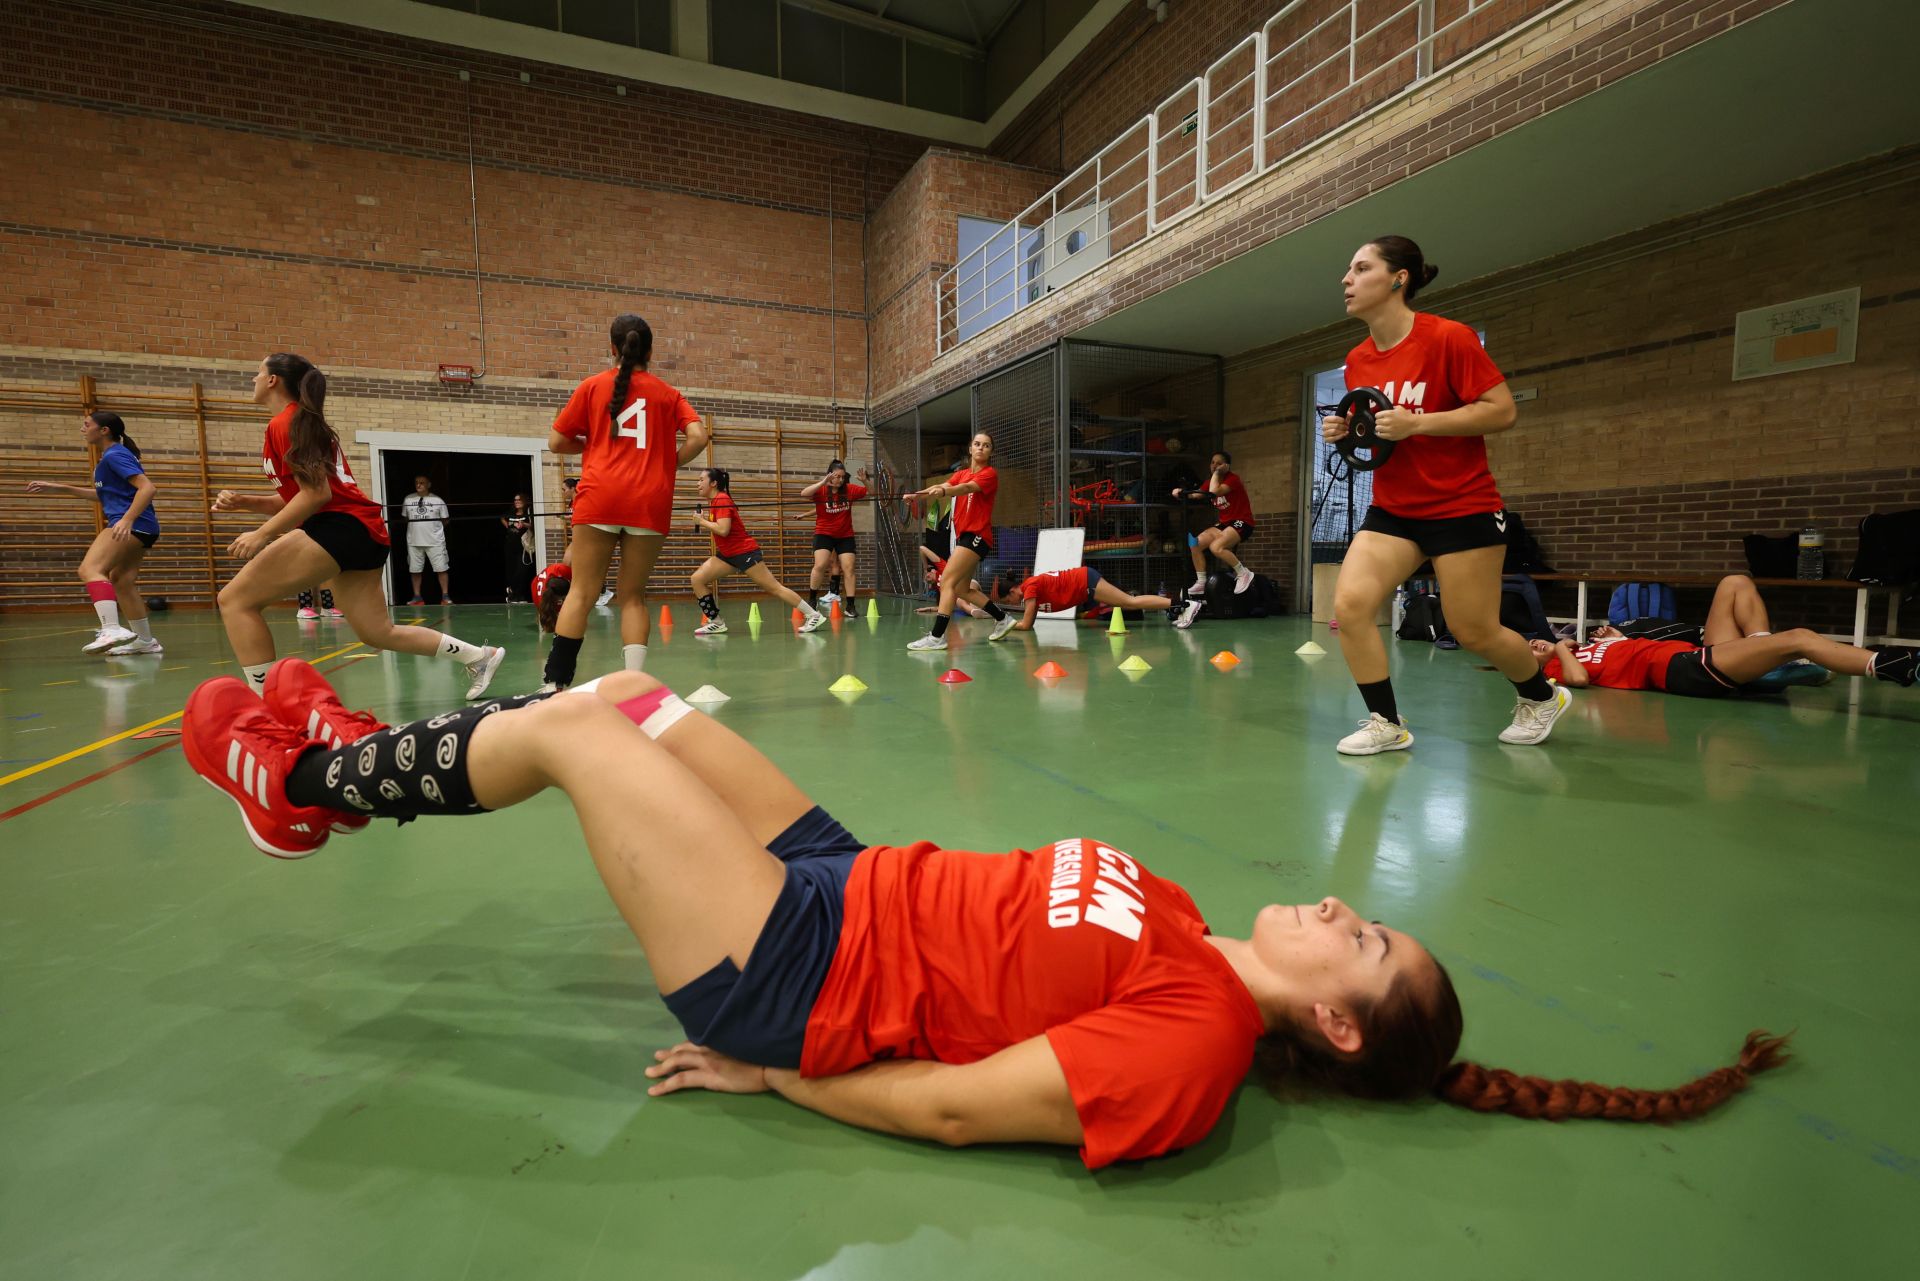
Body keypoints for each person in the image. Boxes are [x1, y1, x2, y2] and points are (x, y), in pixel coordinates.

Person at [180, 658, 1792, 1167]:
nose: (1338, 903)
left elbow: (957, 1107)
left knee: (567, 740)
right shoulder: (1179, 918)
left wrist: (779, 1070)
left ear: (1338, 1019)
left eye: (1360, 937)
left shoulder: (1196, 1045)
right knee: (638, 694)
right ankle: (366, 758)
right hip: (849, 882)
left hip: (795, 974)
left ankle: (302, 783)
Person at [1321, 236, 1566, 756]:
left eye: (1361, 268)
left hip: (1463, 506)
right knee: (1352, 605)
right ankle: (1386, 722)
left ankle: (1541, 696)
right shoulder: (1357, 360)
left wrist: (1419, 424)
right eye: (1348, 270)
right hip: (1393, 509)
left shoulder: (1449, 338)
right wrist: (1348, 432)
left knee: (1474, 630)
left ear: (1398, 278)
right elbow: (1379, 429)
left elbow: (1501, 410)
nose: (1346, 279)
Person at [211, 352, 504, 699]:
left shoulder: (285, 424)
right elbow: (307, 495)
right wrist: (248, 503)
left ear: (273, 380)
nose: (253, 380)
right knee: (377, 633)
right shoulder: (299, 422)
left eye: (257, 373)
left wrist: (262, 534)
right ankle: (479, 657)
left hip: (339, 528)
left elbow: (316, 495)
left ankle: (268, 703)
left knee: (235, 600)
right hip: (361, 531)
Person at [542, 313, 711, 690]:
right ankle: (634, 683)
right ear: (650, 351)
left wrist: (590, 444)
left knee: (583, 591)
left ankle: (555, 682)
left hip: (600, 496)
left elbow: (556, 442)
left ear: (613, 349)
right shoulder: (669, 394)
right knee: (633, 596)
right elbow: (698, 437)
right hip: (649, 501)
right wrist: (668, 462)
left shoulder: (591, 386)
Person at [1537, 575, 1915, 695]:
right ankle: (1898, 666)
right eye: (1529, 648)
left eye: (1531, 640)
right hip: (1683, 670)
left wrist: (1615, 638)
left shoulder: (1583, 648)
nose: (1533, 642)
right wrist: (1559, 647)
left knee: (1734, 583)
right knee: (1798, 637)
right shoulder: (1555, 667)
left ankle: (1761, 656)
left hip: (1692, 652)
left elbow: (1623, 654)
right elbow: (1579, 681)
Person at [23, 410, 164, 655]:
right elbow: (106, 495)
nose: (82, 429)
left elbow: (147, 488)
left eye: (86, 424)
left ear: (104, 430)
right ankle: (145, 641)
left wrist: (127, 520)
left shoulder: (115, 455)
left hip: (131, 524)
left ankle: (111, 628)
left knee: (90, 569)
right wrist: (61, 488)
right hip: (144, 527)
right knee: (122, 580)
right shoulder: (110, 458)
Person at [905, 433, 1015, 650]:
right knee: (962, 589)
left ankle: (937, 637)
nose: (981, 448)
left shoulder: (989, 474)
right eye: (977, 444)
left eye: (986, 446)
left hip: (977, 536)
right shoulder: (961, 473)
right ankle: (1003, 619)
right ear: (970, 448)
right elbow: (946, 484)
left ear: (990, 452)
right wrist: (917, 495)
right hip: (966, 536)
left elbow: (964, 489)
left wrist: (944, 491)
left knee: (946, 581)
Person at [689, 468, 826, 637]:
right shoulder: (715, 501)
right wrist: (703, 520)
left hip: (744, 553)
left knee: (774, 587)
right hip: (727, 555)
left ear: (713, 483)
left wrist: (701, 521)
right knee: (697, 579)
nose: (697, 483)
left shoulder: (722, 499)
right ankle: (716, 622)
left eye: (701, 479)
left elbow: (723, 530)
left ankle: (813, 615)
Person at [1172, 452, 1257, 619]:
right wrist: (1181, 492)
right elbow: (1196, 494)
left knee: (1216, 547)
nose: (1214, 466)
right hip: (1225, 524)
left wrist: (1218, 473)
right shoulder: (1209, 482)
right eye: (1212, 463)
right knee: (1193, 542)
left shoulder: (1233, 479)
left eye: (1219, 463)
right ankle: (1201, 581)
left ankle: (1243, 573)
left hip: (1242, 522)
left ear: (1227, 466)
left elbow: (1214, 492)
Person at [1002, 566, 1174, 634]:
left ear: (1012, 591)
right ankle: (1175, 605)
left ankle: (1176, 604)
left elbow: (1024, 625)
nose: (1012, 604)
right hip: (1085, 588)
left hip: (1085, 581)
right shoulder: (1030, 591)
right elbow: (1029, 624)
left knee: (1129, 602)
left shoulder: (1029, 588)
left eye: (1009, 601)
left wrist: (1005, 625)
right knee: (1126, 603)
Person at [802, 461, 869, 611]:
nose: (839, 480)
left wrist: (865, 480)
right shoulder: (821, 491)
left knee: (849, 568)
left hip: (845, 535)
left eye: (842, 477)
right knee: (820, 565)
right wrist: (823, 482)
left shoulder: (850, 490)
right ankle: (812, 600)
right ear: (829, 475)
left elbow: (871, 492)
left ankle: (850, 605)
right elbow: (804, 493)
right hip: (824, 534)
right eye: (836, 476)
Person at [401, 475, 451, 605]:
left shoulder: (437, 500)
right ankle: (417, 597)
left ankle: (445, 596)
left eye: (422, 483)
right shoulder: (408, 499)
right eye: (416, 482)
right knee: (415, 570)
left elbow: (445, 520)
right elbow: (405, 518)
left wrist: (434, 530)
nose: (419, 485)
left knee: (441, 568)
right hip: (414, 541)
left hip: (435, 541)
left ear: (429, 484)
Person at [501, 493, 536, 604]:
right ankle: (513, 595)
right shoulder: (511, 512)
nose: (517, 502)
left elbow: (533, 525)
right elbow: (502, 517)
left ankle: (519, 594)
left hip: (523, 546)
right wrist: (507, 525)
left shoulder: (528, 512)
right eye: (515, 500)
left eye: (519, 500)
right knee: (511, 570)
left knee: (522, 571)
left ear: (524, 501)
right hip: (510, 546)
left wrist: (523, 524)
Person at [532, 561, 572, 634]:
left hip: (554, 572)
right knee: (549, 613)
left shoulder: (561, 569)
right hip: (535, 583)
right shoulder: (540, 599)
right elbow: (545, 614)